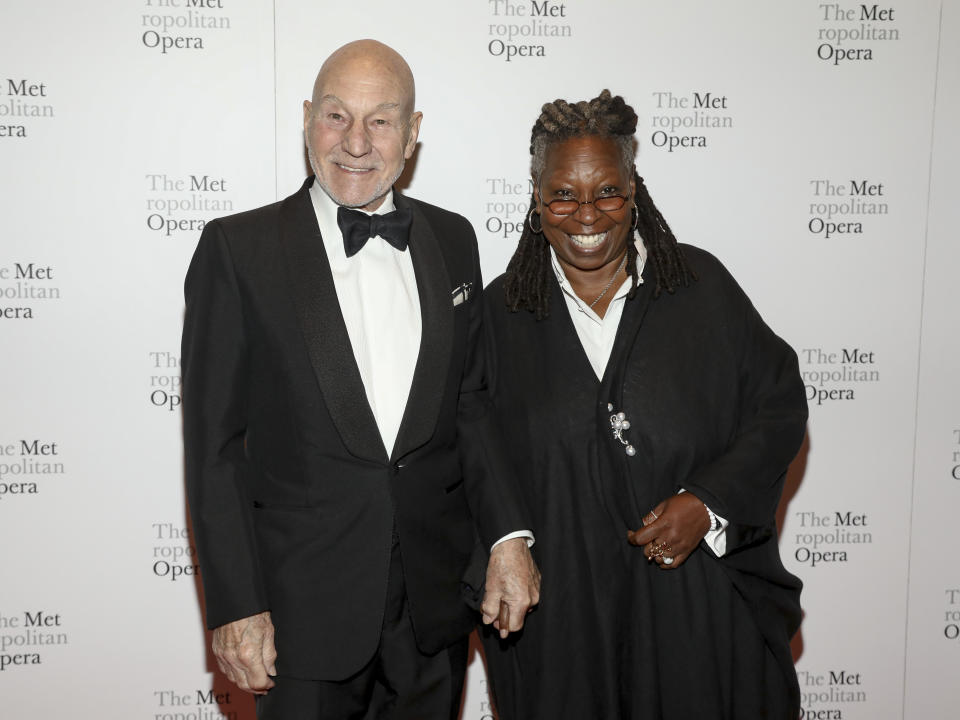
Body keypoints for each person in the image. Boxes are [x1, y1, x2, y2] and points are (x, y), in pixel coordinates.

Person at [181, 39, 539, 720]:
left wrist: (507, 538)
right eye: (337, 116)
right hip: (299, 617)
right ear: (308, 117)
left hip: (432, 611)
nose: (356, 142)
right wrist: (236, 605)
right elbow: (214, 451)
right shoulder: (239, 252)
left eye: (381, 120)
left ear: (413, 133)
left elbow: (473, 408)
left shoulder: (453, 240)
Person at [480, 90, 807, 719]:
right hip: (565, 623)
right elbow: (472, 455)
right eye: (563, 195)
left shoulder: (701, 288)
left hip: (697, 613)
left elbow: (780, 405)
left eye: (606, 191)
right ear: (536, 197)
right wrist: (505, 542)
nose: (586, 215)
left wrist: (709, 504)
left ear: (634, 188)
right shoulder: (501, 315)